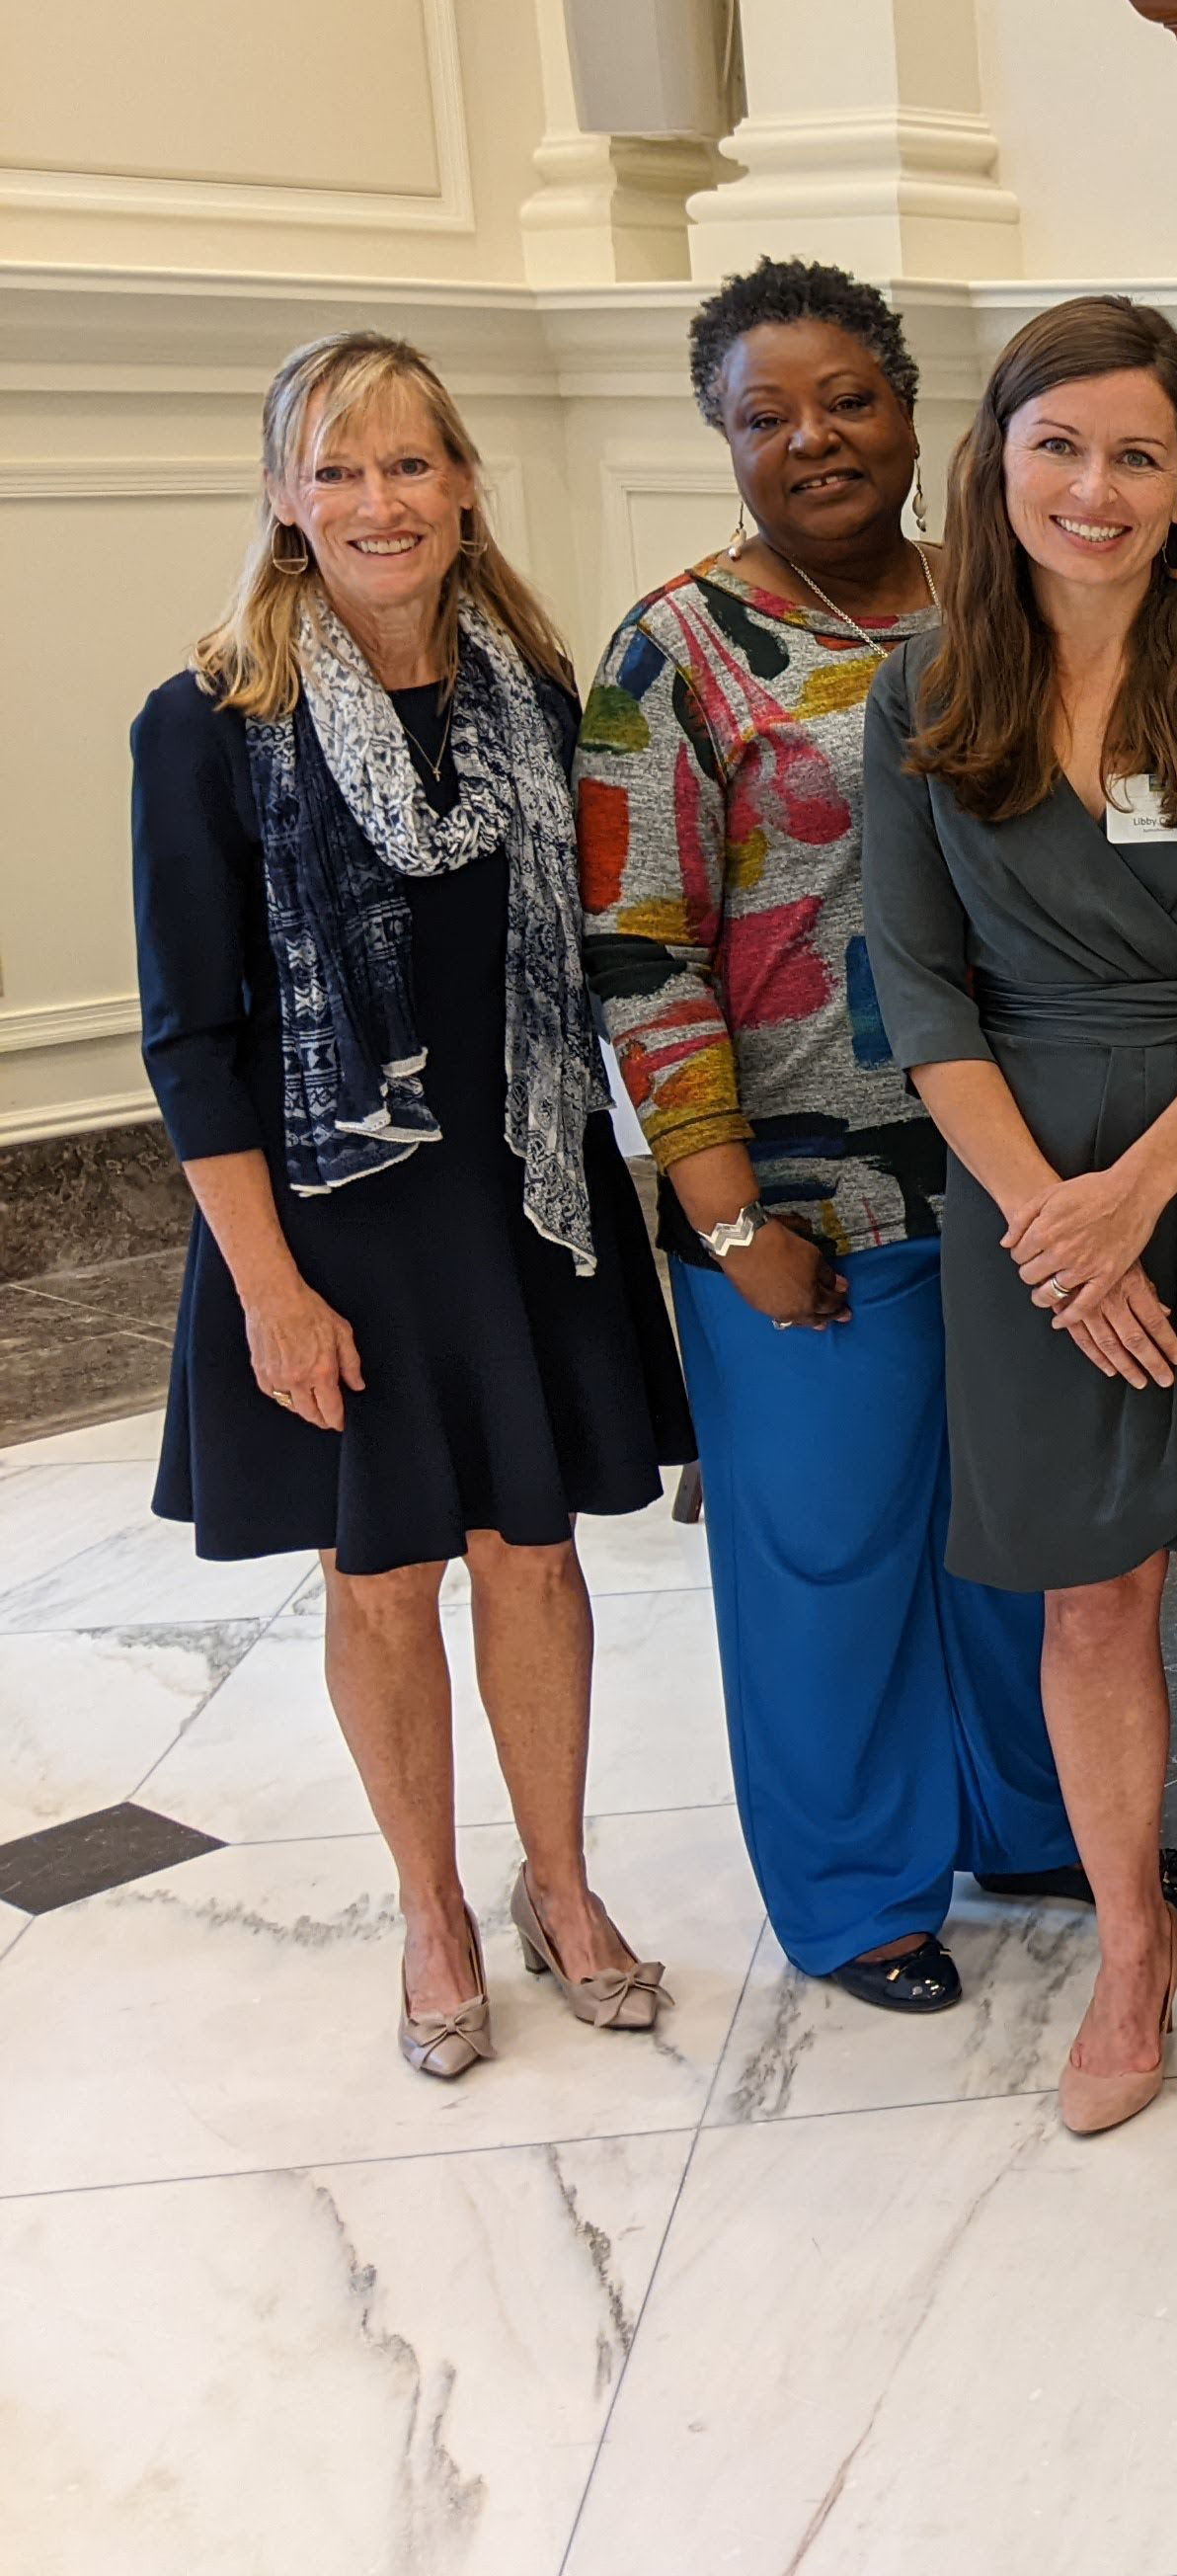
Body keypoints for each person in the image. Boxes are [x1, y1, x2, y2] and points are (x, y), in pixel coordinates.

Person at [580, 259, 1177, 2022]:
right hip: (811, 1199)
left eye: (846, 398)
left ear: (918, 411)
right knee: (831, 1554)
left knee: (1037, 1537)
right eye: (766, 413)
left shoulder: (1012, 604)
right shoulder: (678, 648)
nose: (814, 439)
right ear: (721, 437)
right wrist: (719, 1214)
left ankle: (1039, 1822)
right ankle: (857, 1891)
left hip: (1039, 1184)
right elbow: (638, 949)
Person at [132, 332, 693, 2077]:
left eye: (409, 465)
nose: (379, 501)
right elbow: (191, 1040)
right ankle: (433, 1911)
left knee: (537, 1556)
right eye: (338, 468)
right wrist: (271, 1293)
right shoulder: (213, 719)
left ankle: (562, 1884)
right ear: (287, 502)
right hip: (331, 1218)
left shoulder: (534, 691)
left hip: (527, 1194)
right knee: (379, 1574)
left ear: (461, 486)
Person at [862, 294, 1177, 2139]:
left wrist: (1132, 1201)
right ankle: (1135, 1944)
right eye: (1060, 447)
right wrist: (1047, 1226)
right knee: (1090, 1606)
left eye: (1137, 455)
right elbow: (919, 996)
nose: (1096, 487)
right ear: (998, 464)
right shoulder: (923, 691)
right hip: (1023, 1185)